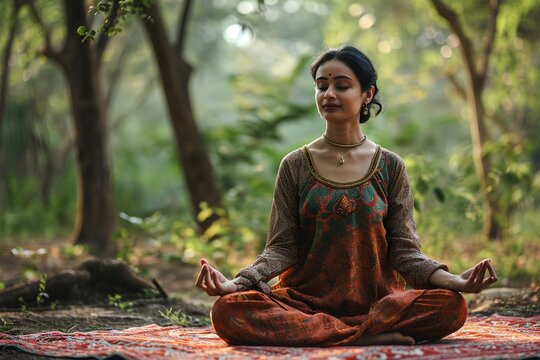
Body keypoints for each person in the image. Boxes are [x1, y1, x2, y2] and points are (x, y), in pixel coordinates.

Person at [195, 45, 497, 347]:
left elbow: (405, 252)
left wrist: (455, 281)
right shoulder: (295, 165)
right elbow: (281, 248)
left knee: (452, 306)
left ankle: (338, 334)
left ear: (367, 94)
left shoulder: (390, 166)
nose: (328, 94)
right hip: (303, 305)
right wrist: (236, 283)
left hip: (379, 306)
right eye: (321, 85)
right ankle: (363, 337)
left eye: (342, 85)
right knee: (228, 311)